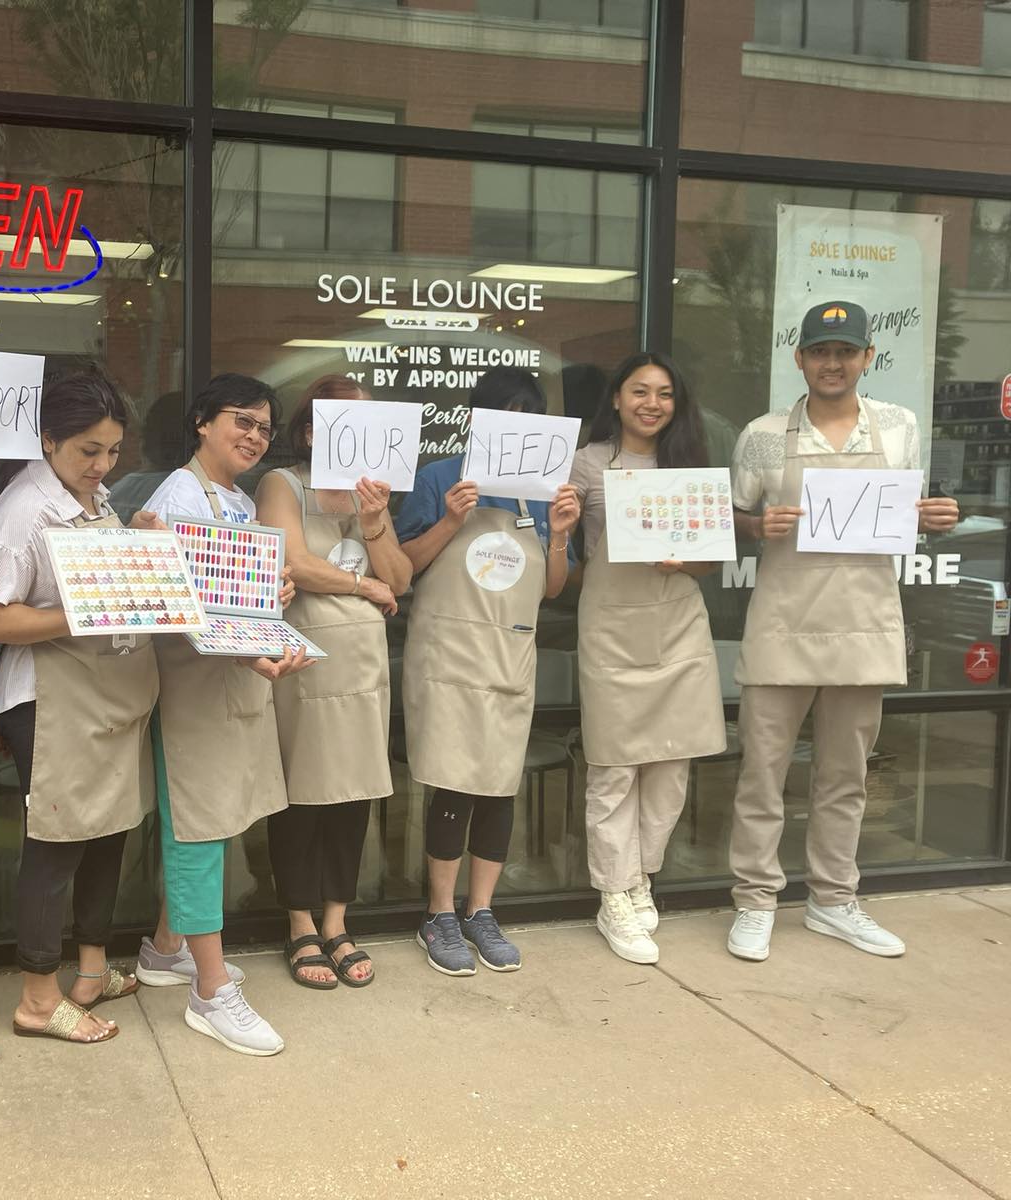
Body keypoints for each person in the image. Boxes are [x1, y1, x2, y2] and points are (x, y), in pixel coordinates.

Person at [726, 301, 958, 961]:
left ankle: (832, 900)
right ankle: (755, 900)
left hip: (862, 620)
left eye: (846, 351)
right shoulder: (762, 434)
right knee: (762, 774)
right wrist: (755, 526)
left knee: (845, 776)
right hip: (783, 622)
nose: (833, 363)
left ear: (867, 357)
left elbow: (906, 513)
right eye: (821, 351)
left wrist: (933, 517)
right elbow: (730, 516)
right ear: (799, 357)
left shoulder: (899, 426)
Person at [0, 366, 156, 1045]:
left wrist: (140, 545)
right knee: (57, 844)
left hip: (107, 696)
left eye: (113, 451)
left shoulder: (94, 497)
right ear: (48, 440)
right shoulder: (26, 509)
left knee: (107, 831)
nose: (101, 465)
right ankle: (38, 999)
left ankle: (91, 971)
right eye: (88, 450)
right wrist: (80, 616)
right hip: (53, 701)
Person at [133, 373, 307, 1055]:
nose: (255, 437)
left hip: (232, 677)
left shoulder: (235, 499)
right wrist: (247, 648)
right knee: (199, 828)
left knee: (215, 817)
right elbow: (169, 607)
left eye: (265, 428)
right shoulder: (177, 498)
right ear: (202, 422)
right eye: (242, 420)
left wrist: (273, 593)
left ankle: (165, 949)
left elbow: (230, 593)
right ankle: (210, 991)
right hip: (193, 686)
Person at [395, 367, 579, 976]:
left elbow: (552, 588)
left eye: (529, 420)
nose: (517, 430)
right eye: (505, 418)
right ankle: (438, 913)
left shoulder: (547, 494)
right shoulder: (439, 478)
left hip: (509, 653)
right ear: (478, 422)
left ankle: (481, 911)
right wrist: (450, 519)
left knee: (500, 782)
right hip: (449, 655)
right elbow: (403, 567)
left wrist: (562, 534)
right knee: (453, 780)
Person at [255, 375, 410, 989]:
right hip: (306, 658)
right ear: (311, 430)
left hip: (364, 667)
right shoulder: (283, 483)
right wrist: (361, 584)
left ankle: (337, 920)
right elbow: (290, 560)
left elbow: (399, 578)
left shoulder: (374, 493)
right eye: (344, 419)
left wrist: (374, 523)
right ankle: (299, 922)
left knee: (354, 792)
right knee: (303, 791)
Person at [569, 353, 725, 965]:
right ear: (616, 397)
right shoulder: (587, 462)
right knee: (614, 766)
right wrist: (559, 521)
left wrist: (684, 559)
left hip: (679, 624)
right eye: (640, 391)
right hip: (611, 627)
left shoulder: (689, 467)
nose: (651, 404)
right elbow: (564, 545)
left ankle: (641, 878)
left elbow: (710, 560)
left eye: (664, 393)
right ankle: (613, 894)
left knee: (669, 763)